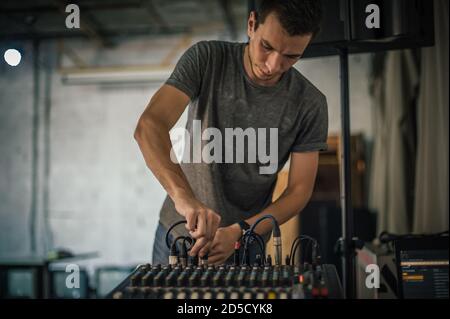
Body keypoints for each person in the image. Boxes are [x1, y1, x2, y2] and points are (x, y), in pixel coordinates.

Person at [134, 0, 328, 266]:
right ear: (251, 25)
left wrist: (240, 231)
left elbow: (298, 190)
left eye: (291, 56)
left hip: (246, 244)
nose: (273, 65)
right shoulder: (207, 59)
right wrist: (186, 200)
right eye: (267, 47)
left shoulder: (310, 103)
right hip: (177, 236)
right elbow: (149, 126)